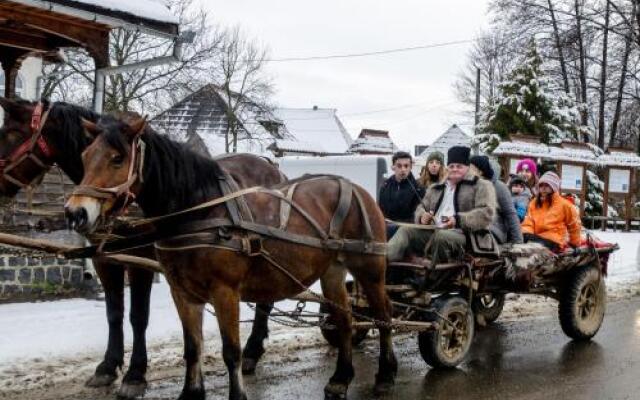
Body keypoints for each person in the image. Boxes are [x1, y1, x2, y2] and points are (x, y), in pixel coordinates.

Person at [387, 146, 497, 266]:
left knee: (441, 236)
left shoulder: (481, 185)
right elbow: (421, 208)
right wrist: (422, 216)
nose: (455, 169)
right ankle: (383, 261)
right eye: (451, 166)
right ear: (447, 167)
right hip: (434, 231)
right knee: (405, 230)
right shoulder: (436, 187)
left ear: (467, 167)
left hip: (465, 236)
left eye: (459, 166)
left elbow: (487, 213)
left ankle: (431, 278)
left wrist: (458, 220)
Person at [521, 171, 582, 252]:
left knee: (536, 245)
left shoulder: (564, 205)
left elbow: (574, 225)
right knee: (520, 236)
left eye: (547, 185)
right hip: (536, 237)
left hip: (553, 240)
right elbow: (528, 222)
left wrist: (575, 244)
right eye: (541, 185)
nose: (543, 188)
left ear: (554, 187)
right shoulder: (534, 203)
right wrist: (526, 233)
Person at [469, 156, 523, 244]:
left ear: (480, 171)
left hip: (495, 229)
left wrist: (518, 242)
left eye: (470, 168)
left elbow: (511, 214)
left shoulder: (499, 187)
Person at [378, 151, 425, 239]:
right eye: (399, 166)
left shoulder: (418, 188)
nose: (403, 169)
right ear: (393, 167)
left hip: (407, 230)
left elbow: (418, 215)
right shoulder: (385, 186)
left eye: (406, 166)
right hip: (386, 226)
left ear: (411, 167)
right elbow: (381, 209)